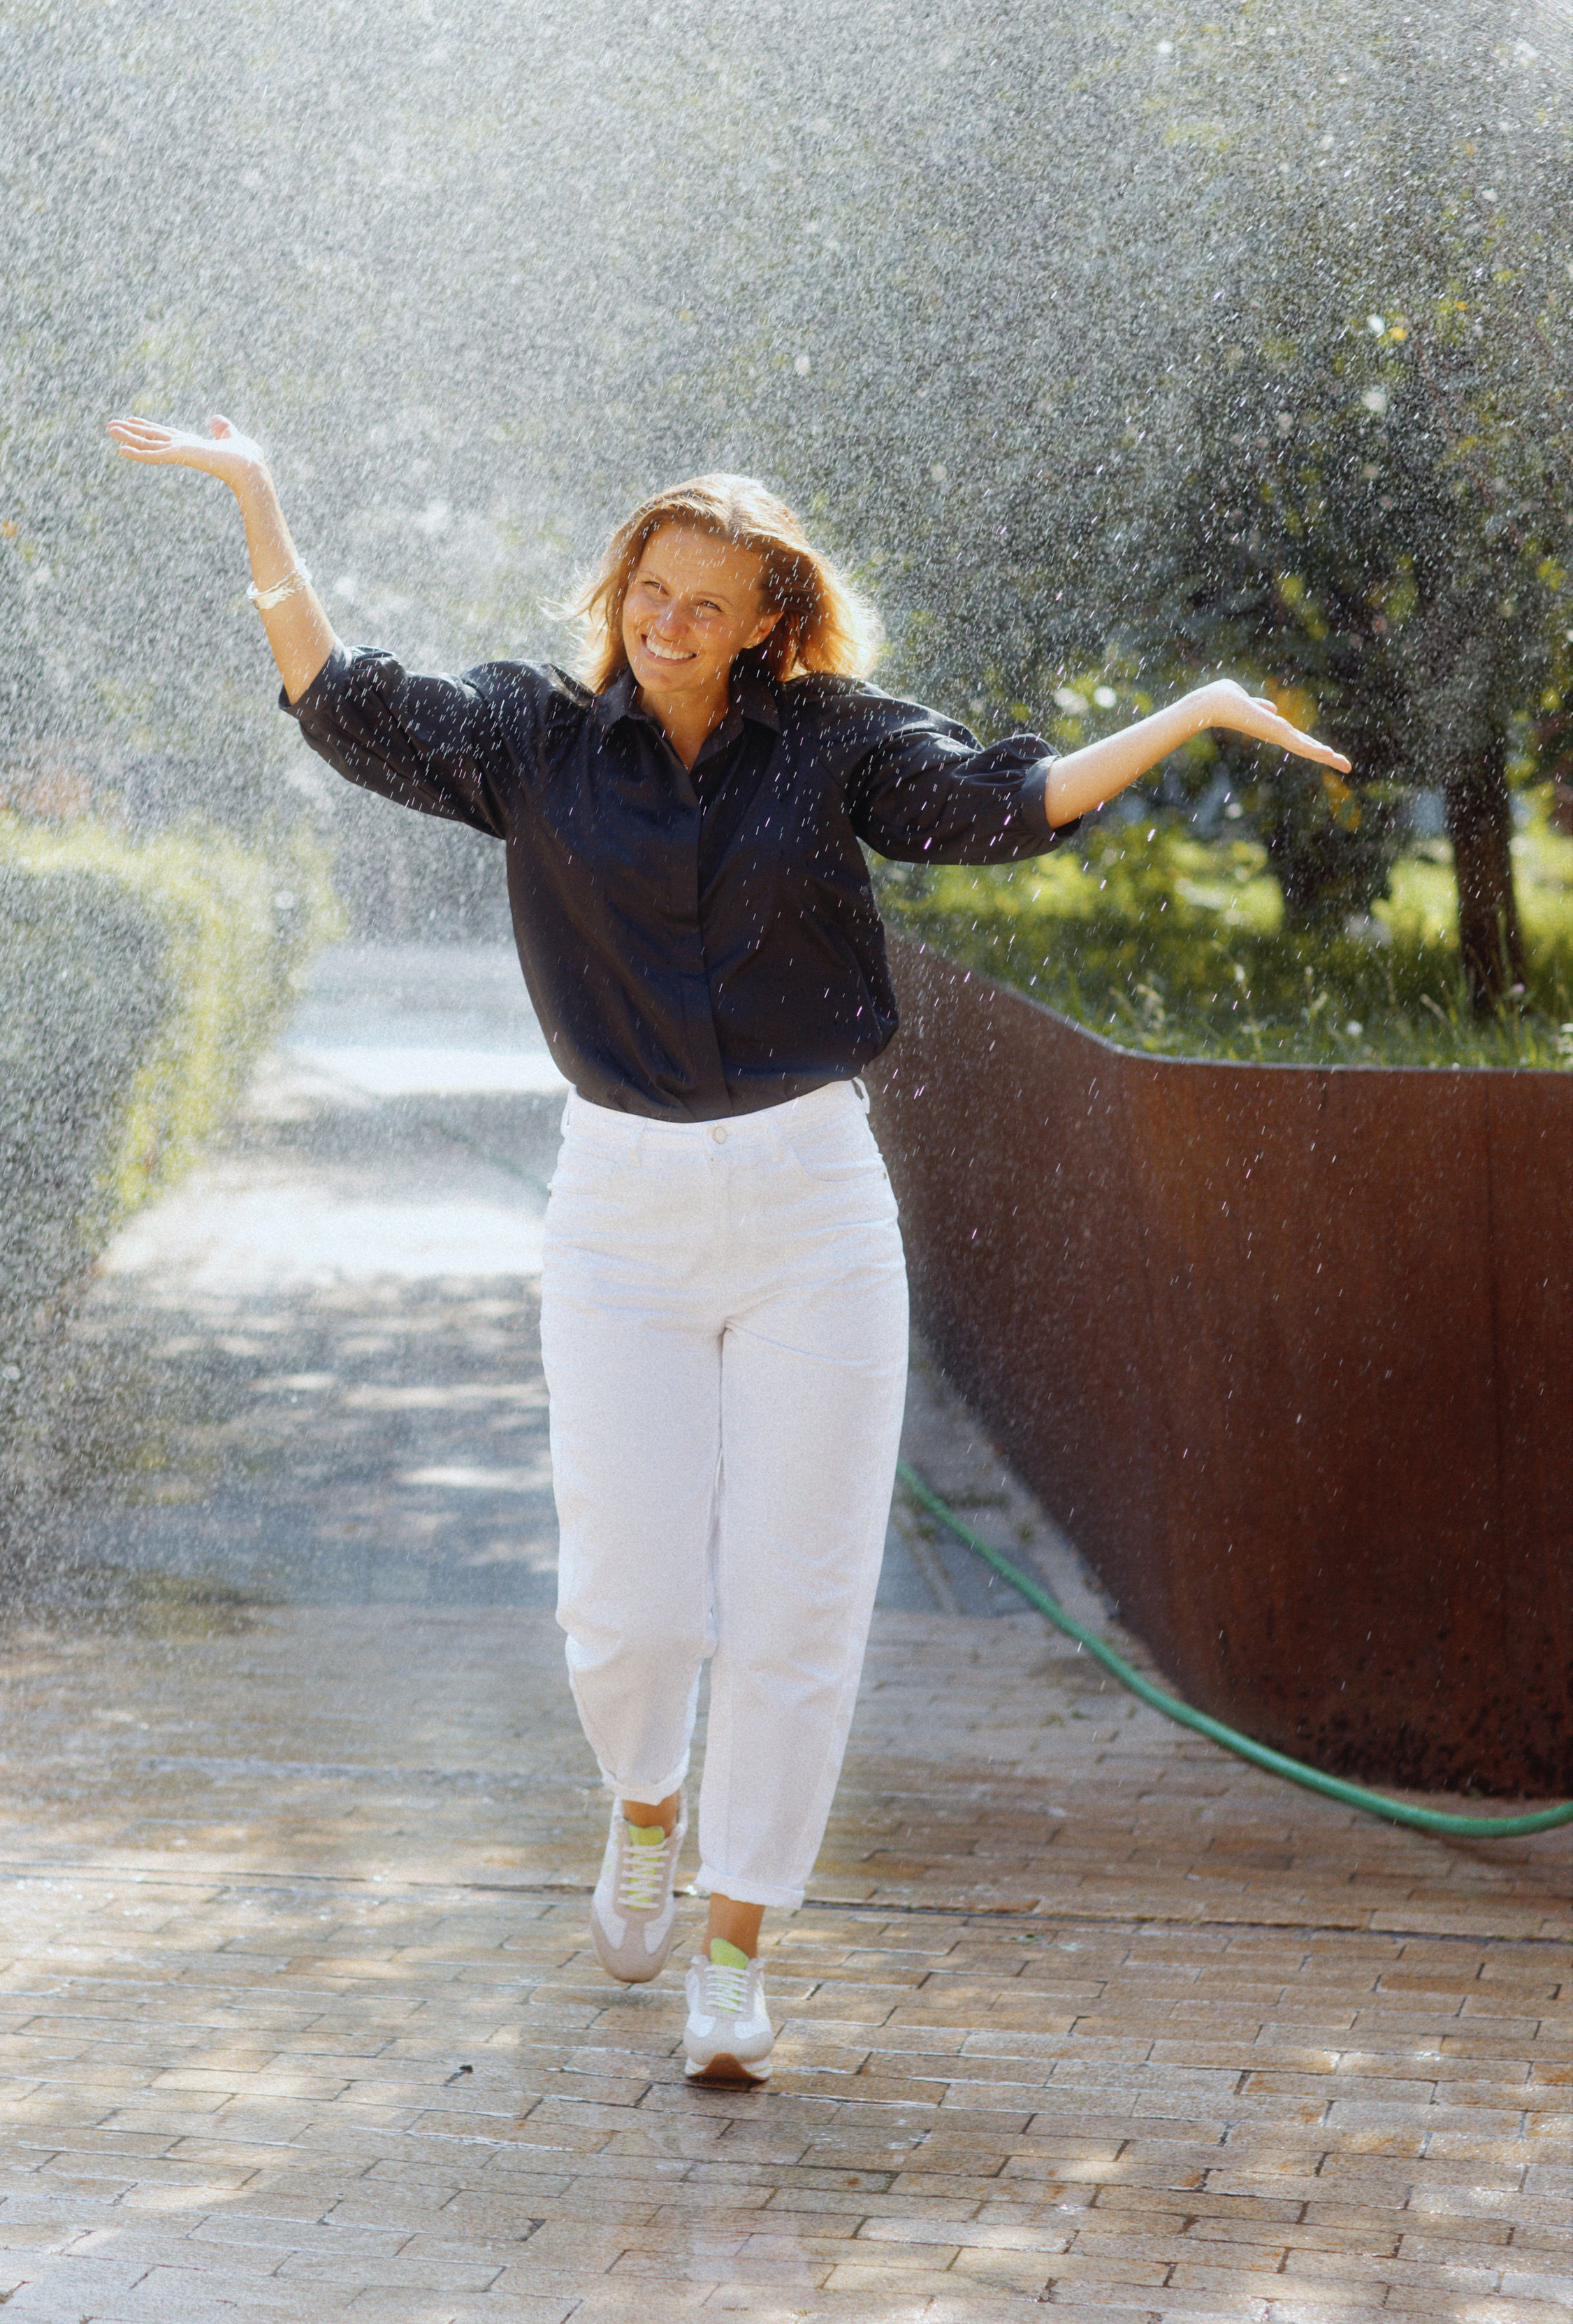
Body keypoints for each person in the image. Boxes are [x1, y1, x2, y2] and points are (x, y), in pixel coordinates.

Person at [108, 413, 1349, 2085]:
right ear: (619, 590)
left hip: (811, 1212)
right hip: (615, 1212)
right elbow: (344, 705)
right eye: (647, 588)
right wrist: (258, 500)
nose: (666, 623)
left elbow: (998, 805)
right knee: (628, 1608)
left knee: (799, 1605)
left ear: (770, 617)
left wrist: (1190, 714)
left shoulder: (829, 745)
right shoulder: (532, 741)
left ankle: (738, 1949)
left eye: (707, 601)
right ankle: (642, 1804)